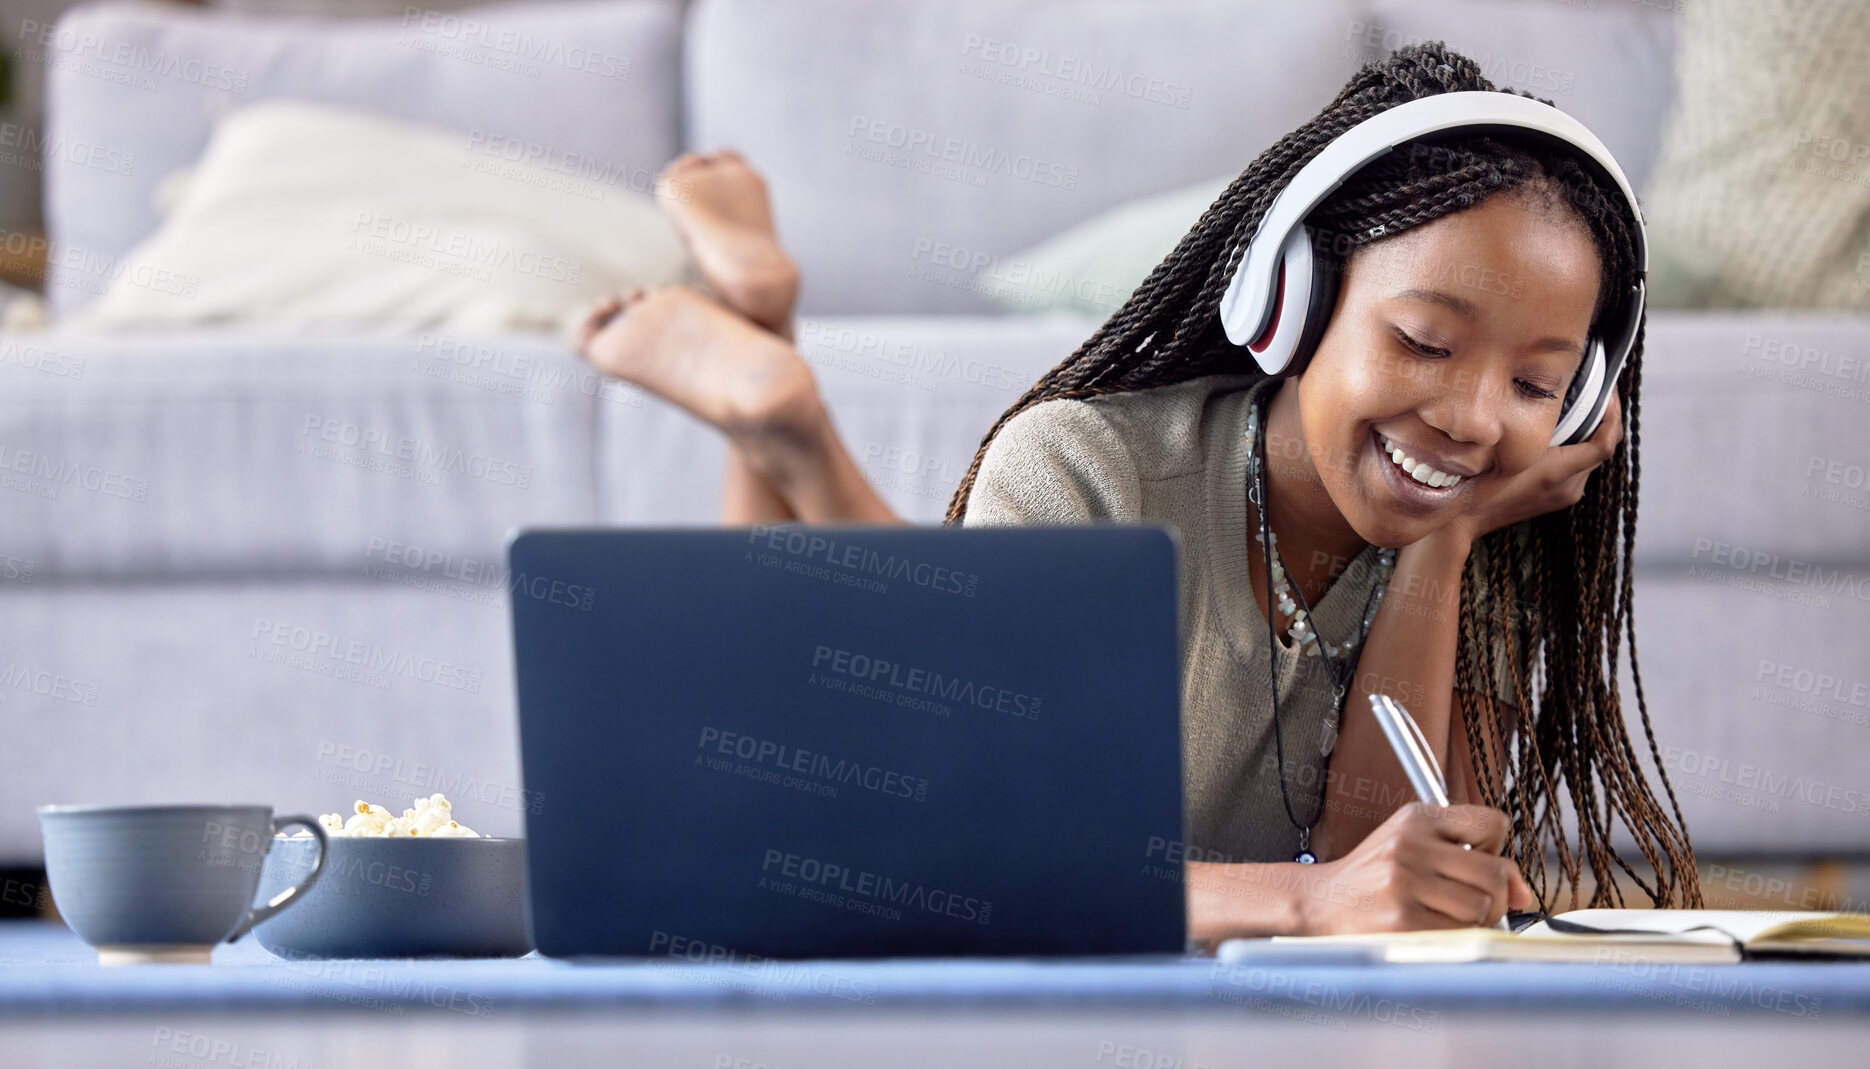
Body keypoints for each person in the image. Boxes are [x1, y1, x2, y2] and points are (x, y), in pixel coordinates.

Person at [573, 42, 1700, 951]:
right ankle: (780, 398)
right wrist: (1302, 902)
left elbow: (1388, 868)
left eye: (1533, 383)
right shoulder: (1085, 466)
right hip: (881, 844)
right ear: (1291, 300)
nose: (1469, 415)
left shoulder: (1479, 517)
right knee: (745, 804)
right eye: (1421, 341)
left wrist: (1446, 538)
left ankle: (774, 393)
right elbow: (989, 862)